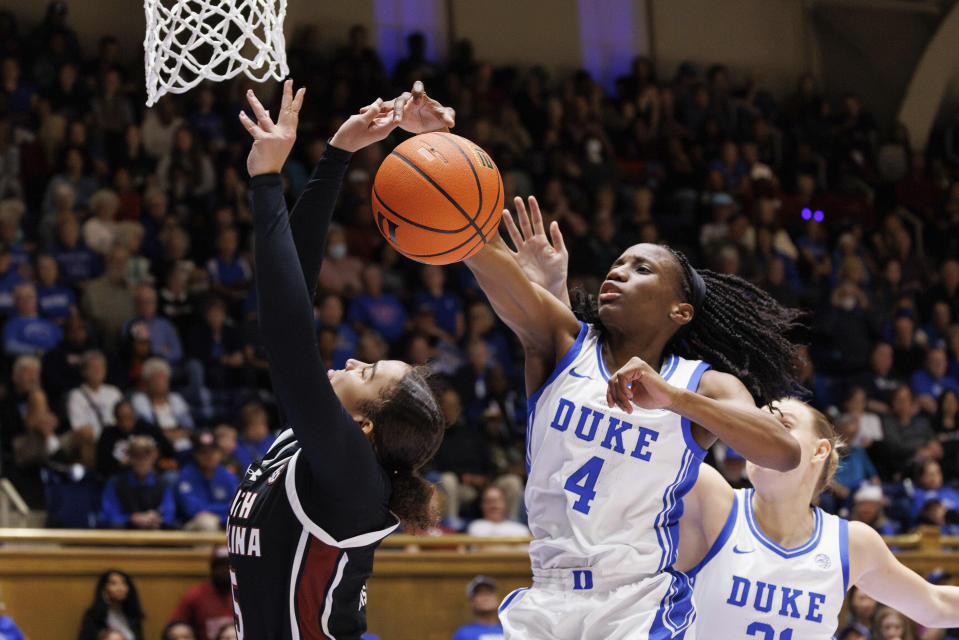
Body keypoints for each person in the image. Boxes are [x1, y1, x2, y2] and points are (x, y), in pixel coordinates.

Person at [468, 149, 802, 638]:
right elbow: (474, 250)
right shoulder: (560, 341)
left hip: (638, 602)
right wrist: (431, 146)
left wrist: (673, 398)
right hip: (546, 596)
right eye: (617, 263)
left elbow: (784, 452)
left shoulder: (701, 384)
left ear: (679, 311)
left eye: (641, 269)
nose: (617, 271)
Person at [227, 80, 449, 639]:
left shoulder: (355, 481)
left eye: (367, 373)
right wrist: (337, 155)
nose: (351, 362)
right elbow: (293, 298)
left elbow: (287, 335)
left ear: (363, 423)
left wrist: (266, 181)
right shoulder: (308, 449)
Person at [677, 398, 959, 639]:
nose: (762, 435)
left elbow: (935, 604)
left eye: (783, 425)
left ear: (820, 450)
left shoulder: (851, 543)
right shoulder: (709, 497)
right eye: (757, 425)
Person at [100, 436, 176, 529]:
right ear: (130, 458)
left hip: (156, 533)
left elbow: (169, 515)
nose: (142, 461)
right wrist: (131, 519)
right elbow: (109, 516)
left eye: (146, 456)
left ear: (153, 457)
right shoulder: (116, 483)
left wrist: (154, 519)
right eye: (137, 456)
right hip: (124, 537)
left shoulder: (162, 483)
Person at [175, 429, 238, 530]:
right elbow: (192, 510)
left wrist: (220, 517)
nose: (209, 456)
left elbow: (237, 506)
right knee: (207, 522)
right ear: (196, 455)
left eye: (213, 451)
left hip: (224, 520)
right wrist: (225, 508)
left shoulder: (227, 474)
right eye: (204, 452)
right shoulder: (186, 474)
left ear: (220, 453)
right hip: (192, 526)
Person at [169, 546, 233, 640]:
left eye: (227, 566)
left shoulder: (245, 596)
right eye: (219, 566)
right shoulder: (195, 595)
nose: (223, 570)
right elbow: (176, 627)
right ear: (212, 568)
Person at [76, 569, 144, 640]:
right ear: (104, 588)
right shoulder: (94, 616)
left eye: (124, 583)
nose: (120, 588)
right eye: (113, 583)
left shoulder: (132, 615)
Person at [451, 576, 504, 640]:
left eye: (489, 592)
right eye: (480, 593)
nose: (486, 597)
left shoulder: (510, 630)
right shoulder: (463, 634)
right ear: (471, 601)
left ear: (497, 599)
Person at [466, 485, 530, 538]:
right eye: (489, 501)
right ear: (482, 505)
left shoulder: (521, 529)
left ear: (505, 504)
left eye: (497, 501)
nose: (494, 505)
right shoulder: (475, 527)